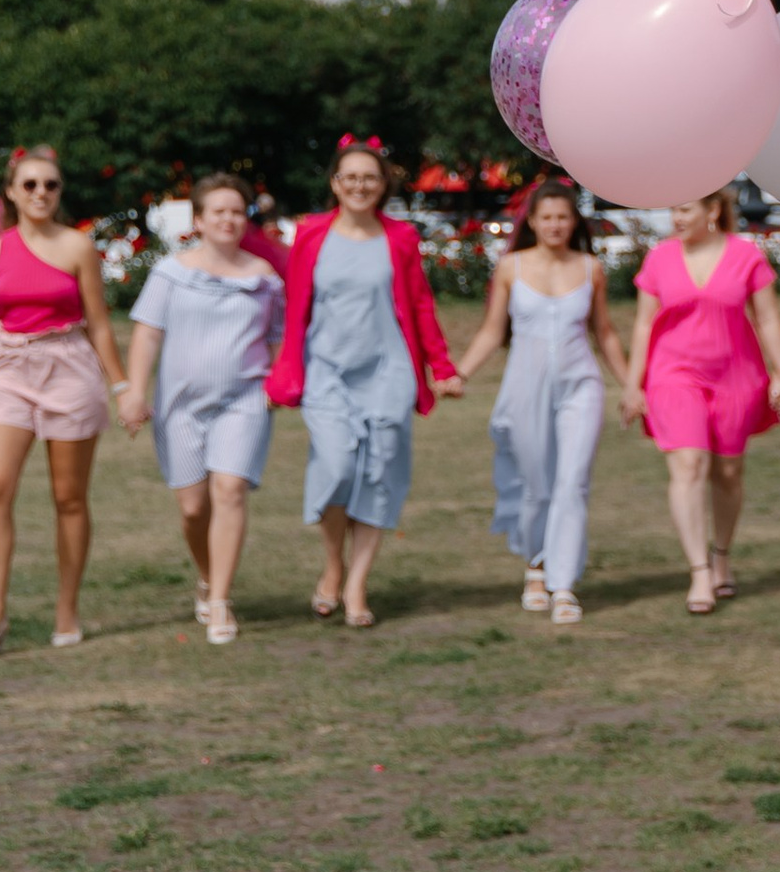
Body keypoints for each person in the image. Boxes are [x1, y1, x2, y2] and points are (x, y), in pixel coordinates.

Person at [0, 143, 127, 655]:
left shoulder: (78, 247)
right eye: (31, 184)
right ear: (12, 193)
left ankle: (67, 609)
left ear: (59, 192)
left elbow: (100, 326)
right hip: (7, 369)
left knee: (68, 497)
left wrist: (123, 387)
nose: (41, 193)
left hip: (68, 367)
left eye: (51, 185)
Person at [265, 141, 459, 627]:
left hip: (387, 371)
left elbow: (419, 306)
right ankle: (333, 565)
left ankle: (356, 585)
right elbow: (294, 304)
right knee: (336, 466)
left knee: (379, 472)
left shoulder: (401, 238)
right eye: (349, 177)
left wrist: (442, 366)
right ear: (334, 183)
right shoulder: (311, 234)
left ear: (383, 185)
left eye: (369, 178)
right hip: (327, 371)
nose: (359, 185)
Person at [117, 174, 286, 644]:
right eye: (219, 212)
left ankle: (220, 602)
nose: (229, 220)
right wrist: (134, 392)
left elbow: (276, 339)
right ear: (199, 220)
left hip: (244, 400)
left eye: (237, 211)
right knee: (193, 509)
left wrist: (277, 385)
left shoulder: (265, 278)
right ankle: (208, 576)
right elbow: (148, 333)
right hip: (180, 406)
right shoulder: (171, 272)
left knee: (230, 490)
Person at [454, 179, 623, 625]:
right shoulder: (511, 267)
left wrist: (631, 385)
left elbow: (603, 333)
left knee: (573, 482)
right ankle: (535, 565)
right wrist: (460, 373)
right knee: (536, 484)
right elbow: (493, 330)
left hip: (580, 386)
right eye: (546, 217)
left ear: (574, 222)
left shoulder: (591, 269)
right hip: (524, 387)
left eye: (563, 217)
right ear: (532, 221)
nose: (554, 225)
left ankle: (563, 584)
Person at [628, 190, 780, 611]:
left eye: (684, 209)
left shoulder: (746, 256)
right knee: (689, 465)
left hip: (736, 376)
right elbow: (644, 325)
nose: (675, 218)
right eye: (672, 209)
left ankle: (721, 556)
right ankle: (699, 573)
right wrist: (633, 384)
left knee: (729, 473)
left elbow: (768, 318)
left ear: (712, 209)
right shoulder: (659, 259)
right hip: (673, 376)